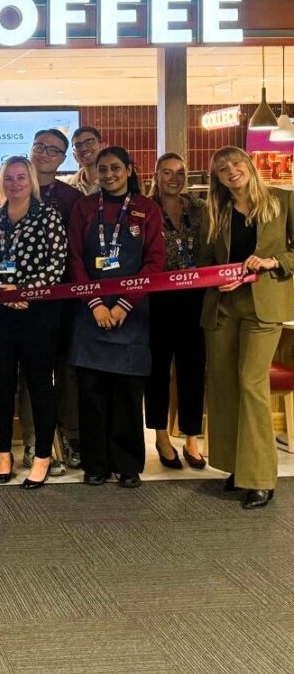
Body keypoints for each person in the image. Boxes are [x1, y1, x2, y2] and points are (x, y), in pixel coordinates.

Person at [198, 146, 294, 509]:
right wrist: (216, 279)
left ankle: (260, 478)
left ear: (249, 166)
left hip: (263, 307)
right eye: (222, 169)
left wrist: (273, 261)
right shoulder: (216, 212)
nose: (231, 171)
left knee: (252, 384)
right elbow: (206, 262)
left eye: (236, 163)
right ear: (217, 178)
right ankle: (235, 468)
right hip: (223, 308)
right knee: (224, 385)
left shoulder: (282, 202)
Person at [67, 146, 165, 489]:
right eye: (102, 169)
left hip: (132, 315)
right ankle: (95, 465)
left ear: (129, 169)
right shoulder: (83, 208)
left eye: (115, 168)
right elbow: (75, 260)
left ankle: (127, 465)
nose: (108, 174)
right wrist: (95, 303)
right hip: (89, 314)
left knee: (127, 395)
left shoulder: (146, 209)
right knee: (91, 394)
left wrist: (123, 304)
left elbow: (155, 263)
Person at [0, 156, 67, 489]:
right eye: (9, 178)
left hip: (38, 314)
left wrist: (23, 290)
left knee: (40, 385)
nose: (15, 183)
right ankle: (3, 453)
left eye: (21, 177)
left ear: (31, 181)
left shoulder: (49, 217)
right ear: (2, 182)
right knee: (1, 386)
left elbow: (57, 265)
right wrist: (3, 290)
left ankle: (42, 456)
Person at [18, 128, 84, 473]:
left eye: (53, 150)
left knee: (67, 372)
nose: (44, 153)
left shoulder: (71, 199)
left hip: (65, 301)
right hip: (26, 305)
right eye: (39, 146)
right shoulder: (13, 189)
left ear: (62, 158)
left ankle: (71, 439)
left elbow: (77, 252)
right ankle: (33, 443)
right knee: (32, 374)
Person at [145, 153, 207, 471]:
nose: (174, 177)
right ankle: (160, 435)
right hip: (158, 302)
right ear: (155, 175)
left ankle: (193, 438)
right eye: (167, 172)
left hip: (195, 300)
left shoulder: (199, 208)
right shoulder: (144, 208)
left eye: (180, 172)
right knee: (157, 371)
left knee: (193, 370)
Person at [67, 127, 105, 196]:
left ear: (102, 146)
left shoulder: (117, 181)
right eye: (78, 146)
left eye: (89, 142)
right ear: (75, 156)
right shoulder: (68, 187)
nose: (84, 148)